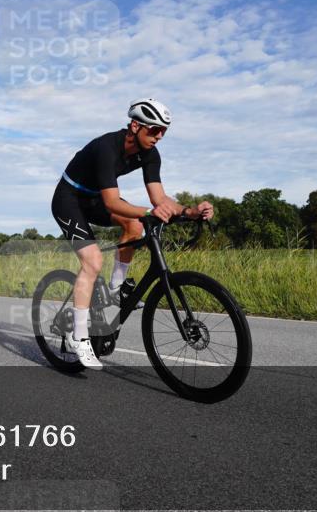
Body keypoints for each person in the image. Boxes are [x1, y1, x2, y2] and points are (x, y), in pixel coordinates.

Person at [51, 98, 214, 369]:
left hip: (94, 200)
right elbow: (114, 203)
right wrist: (148, 213)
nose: (159, 136)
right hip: (69, 199)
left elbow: (159, 198)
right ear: (135, 126)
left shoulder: (151, 154)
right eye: (154, 129)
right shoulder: (107, 147)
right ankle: (79, 336)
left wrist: (190, 211)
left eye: (163, 131)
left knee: (134, 226)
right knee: (92, 261)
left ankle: (115, 290)